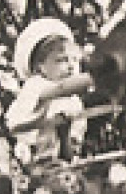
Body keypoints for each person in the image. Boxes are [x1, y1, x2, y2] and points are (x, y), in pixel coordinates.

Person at [6, 17, 87, 161]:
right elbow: (18, 127)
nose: (70, 66)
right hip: (32, 159)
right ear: (40, 66)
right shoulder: (36, 86)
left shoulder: (73, 100)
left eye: (74, 59)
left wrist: (66, 135)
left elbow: (71, 150)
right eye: (61, 60)